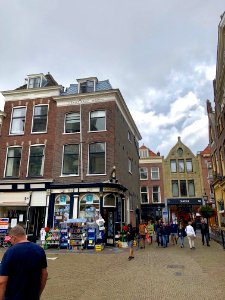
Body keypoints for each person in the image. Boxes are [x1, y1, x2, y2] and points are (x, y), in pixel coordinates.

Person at [0, 225, 48, 300]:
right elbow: (44, 275)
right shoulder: (39, 250)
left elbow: (2, 281)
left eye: (10, 239)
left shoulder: (10, 252)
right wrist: (38, 293)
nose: (11, 242)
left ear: (14, 237)